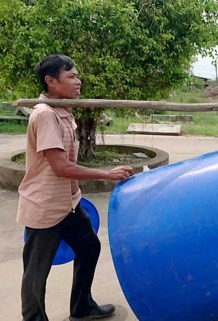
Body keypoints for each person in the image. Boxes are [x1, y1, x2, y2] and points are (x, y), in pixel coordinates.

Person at [17, 54, 134, 321]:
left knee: (89, 247)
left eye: (77, 75)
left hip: (68, 203)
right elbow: (60, 166)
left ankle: (81, 308)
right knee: (36, 271)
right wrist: (106, 173)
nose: (78, 81)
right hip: (45, 206)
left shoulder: (63, 111)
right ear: (51, 81)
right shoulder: (45, 115)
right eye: (71, 76)